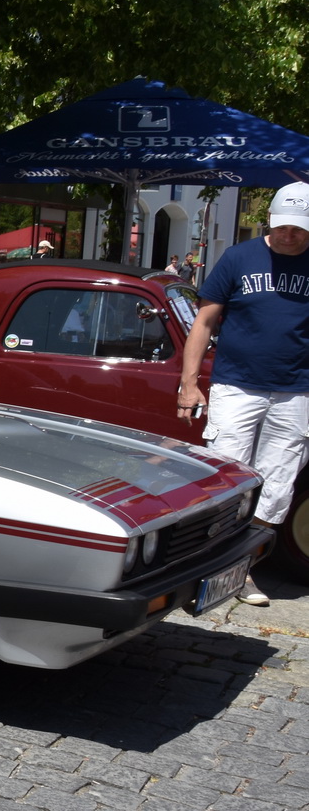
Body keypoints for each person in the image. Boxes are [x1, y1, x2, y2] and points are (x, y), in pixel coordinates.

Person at [176, 182, 309, 606]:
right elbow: (204, 322)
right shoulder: (238, 257)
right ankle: (211, 563)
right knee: (228, 476)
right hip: (236, 385)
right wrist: (189, 383)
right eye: (284, 226)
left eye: (300, 229)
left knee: (278, 484)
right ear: (270, 220)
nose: (291, 235)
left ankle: (244, 570)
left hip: (297, 391)